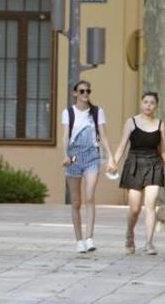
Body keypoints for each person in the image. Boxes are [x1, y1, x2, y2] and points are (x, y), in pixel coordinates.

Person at [108, 92, 165, 255]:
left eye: (152, 103)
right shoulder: (131, 122)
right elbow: (122, 145)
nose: (148, 105)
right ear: (141, 104)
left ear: (156, 106)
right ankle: (129, 235)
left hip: (154, 165)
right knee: (134, 209)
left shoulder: (160, 124)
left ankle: (149, 243)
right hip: (134, 165)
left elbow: (164, 150)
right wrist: (114, 162)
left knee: (151, 205)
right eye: (146, 102)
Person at [61, 80, 116, 253]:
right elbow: (65, 136)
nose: (85, 94)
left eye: (88, 91)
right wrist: (65, 155)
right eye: (82, 91)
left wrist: (111, 157)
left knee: (90, 195)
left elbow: (104, 135)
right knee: (76, 201)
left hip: (92, 155)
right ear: (75, 93)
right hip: (74, 157)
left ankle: (90, 238)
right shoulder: (68, 112)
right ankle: (79, 240)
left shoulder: (97, 112)